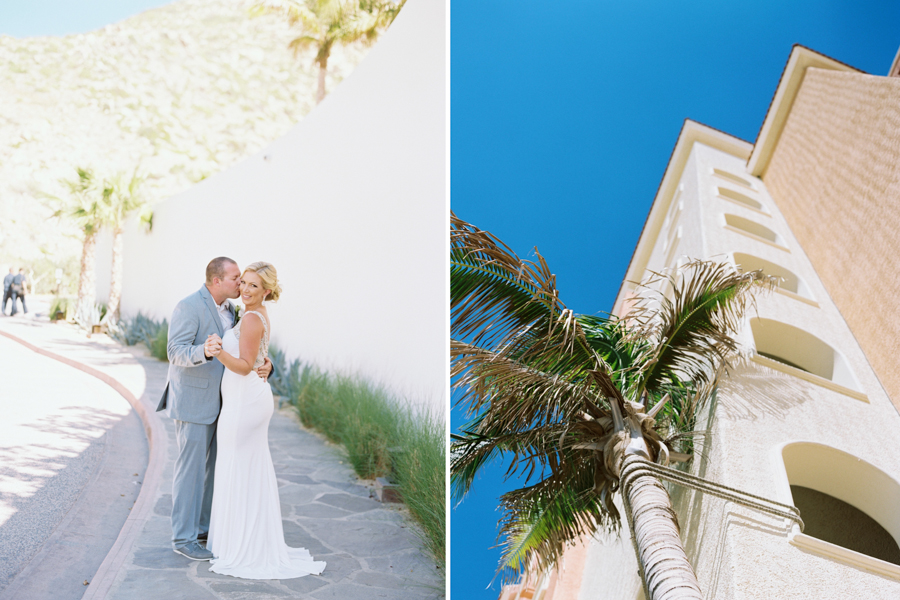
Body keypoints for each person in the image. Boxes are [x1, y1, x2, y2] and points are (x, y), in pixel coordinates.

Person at [207, 261, 325, 579]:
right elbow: (258, 356)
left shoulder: (251, 319)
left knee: (238, 468)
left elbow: (245, 366)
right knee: (243, 468)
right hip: (245, 399)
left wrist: (217, 351)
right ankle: (242, 539)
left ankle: (243, 546)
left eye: (253, 286)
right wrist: (265, 361)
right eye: (243, 283)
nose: (245, 289)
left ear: (266, 291)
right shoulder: (252, 315)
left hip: (245, 402)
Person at [156, 257, 273, 561]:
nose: (241, 285)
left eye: (246, 281)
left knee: (216, 471)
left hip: (229, 405)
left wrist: (266, 365)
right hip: (194, 403)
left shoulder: (235, 310)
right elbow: (174, 351)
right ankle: (183, 538)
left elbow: (247, 348)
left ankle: (204, 529)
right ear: (217, 280)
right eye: (236, 278)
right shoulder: (188, 306)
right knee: (190, 473)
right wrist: (204, 352)